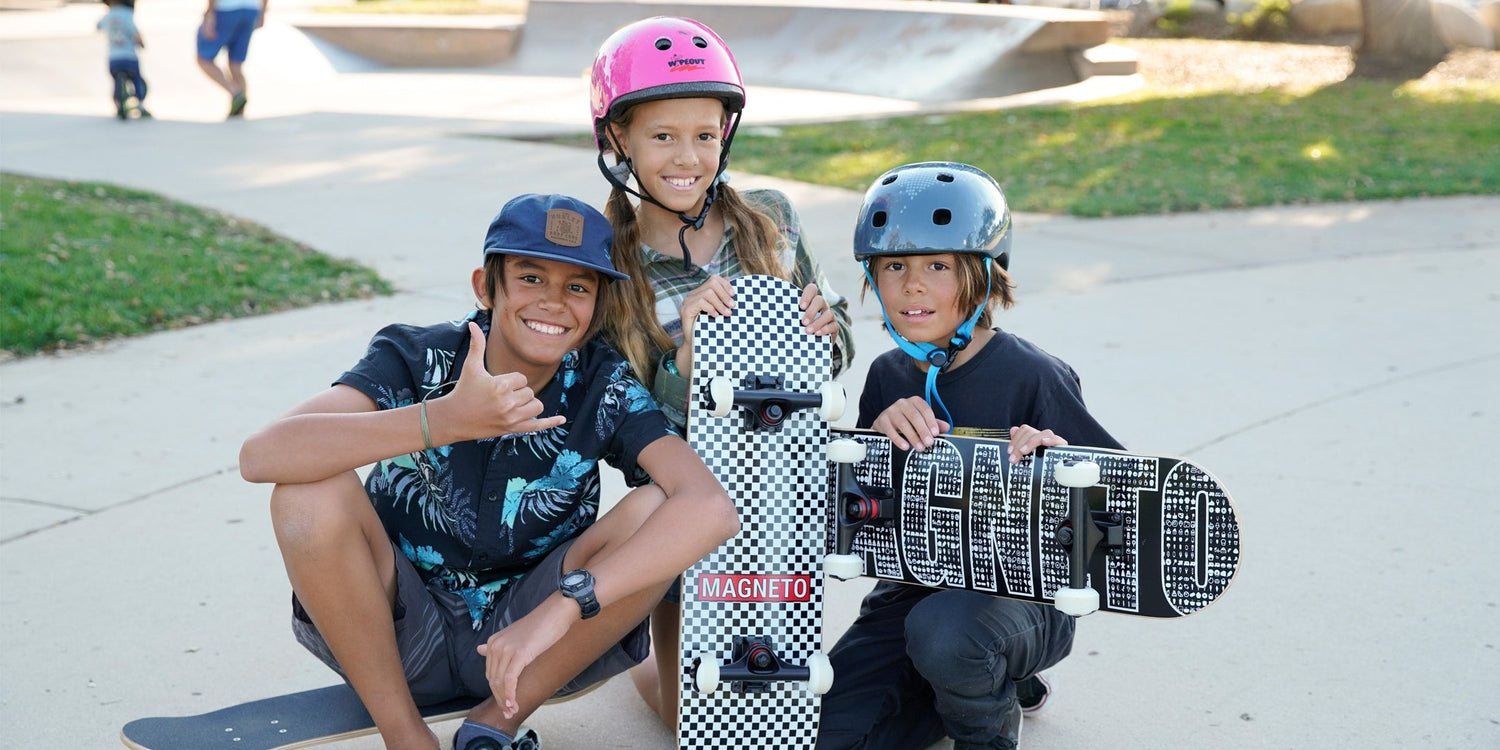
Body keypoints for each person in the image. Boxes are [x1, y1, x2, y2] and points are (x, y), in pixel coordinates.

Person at [239, 193, 740, 750]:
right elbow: (262, 456)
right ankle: (406, 737)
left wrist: (562, 607)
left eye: (578, 287)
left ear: (597, 307)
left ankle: (492, 726)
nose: (553, 302)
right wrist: (444, 420)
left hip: (536, 650)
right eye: (530, 277)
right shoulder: (418, 355)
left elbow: (709, 507)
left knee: (657, 507)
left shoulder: (604, 382)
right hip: (398, 637)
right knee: (308, 493)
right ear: (486, 286)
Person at [585, 16, 856, 728]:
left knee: (773, 697)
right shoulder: (608, 267)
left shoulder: (770, 219)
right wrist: (686, 361)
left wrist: (827, 334)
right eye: (663, 136)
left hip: (780, 486)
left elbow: (841, 342)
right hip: (680, 503)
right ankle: (641, 656)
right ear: (618, 140)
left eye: (705, 135)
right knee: (691, 718)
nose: (688, 156)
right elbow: (618, 416)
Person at [816, 162, 1124, 750]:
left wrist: (1056, 464)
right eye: (894, 266)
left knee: (946, 636)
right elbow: (863, 514)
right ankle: (979, 683)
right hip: (912, 593)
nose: (913, 285)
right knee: (828, 737)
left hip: (1021, 597)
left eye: (938, 266)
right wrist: (876, 444)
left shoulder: (1032, 373)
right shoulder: (886, 375)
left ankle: (990, 716)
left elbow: (1124, 505)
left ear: (984, 276)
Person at [195, 0, 266, 118]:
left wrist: (209, 15)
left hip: (226, 9)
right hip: (251, 9)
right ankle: (239, 112)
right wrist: (262, 11)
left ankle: (235, 93)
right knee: (236, 64)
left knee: (204, 58)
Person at [97, 0, 149, 120]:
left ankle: (118, 103)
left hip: (114, 57)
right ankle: (140, 105)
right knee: (136, 79)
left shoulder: (108, 15)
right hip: (129, 56)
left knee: (116, 81)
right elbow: (135, 32)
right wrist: (142, 43)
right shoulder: (127, 14)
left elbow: (98, 26)